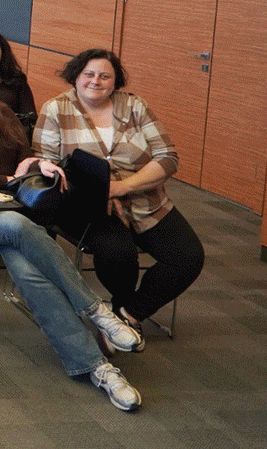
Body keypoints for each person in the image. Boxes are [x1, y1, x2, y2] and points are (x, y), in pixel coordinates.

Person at [0, 53, 146, 411]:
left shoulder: (4, 117)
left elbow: (24, 154)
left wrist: (37, 162)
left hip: (8, 210)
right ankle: (96, 311)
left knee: (32, 277)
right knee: (20, 226)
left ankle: (98, 368)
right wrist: (11, 179)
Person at [34, 49, 204, 337]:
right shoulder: (56, 109)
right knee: (119, 255)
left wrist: (121, 187)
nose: (95, 81)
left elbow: (167, 157)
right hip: (87, 206)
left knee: (188, 257)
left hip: (146, 201)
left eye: (105, 76)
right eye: (88, 74)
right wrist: (98, 192)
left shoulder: (135, 107)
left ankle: (126, 316)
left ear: (116, 81)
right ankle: (122, 316)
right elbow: (46, 163)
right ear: (75, 77)